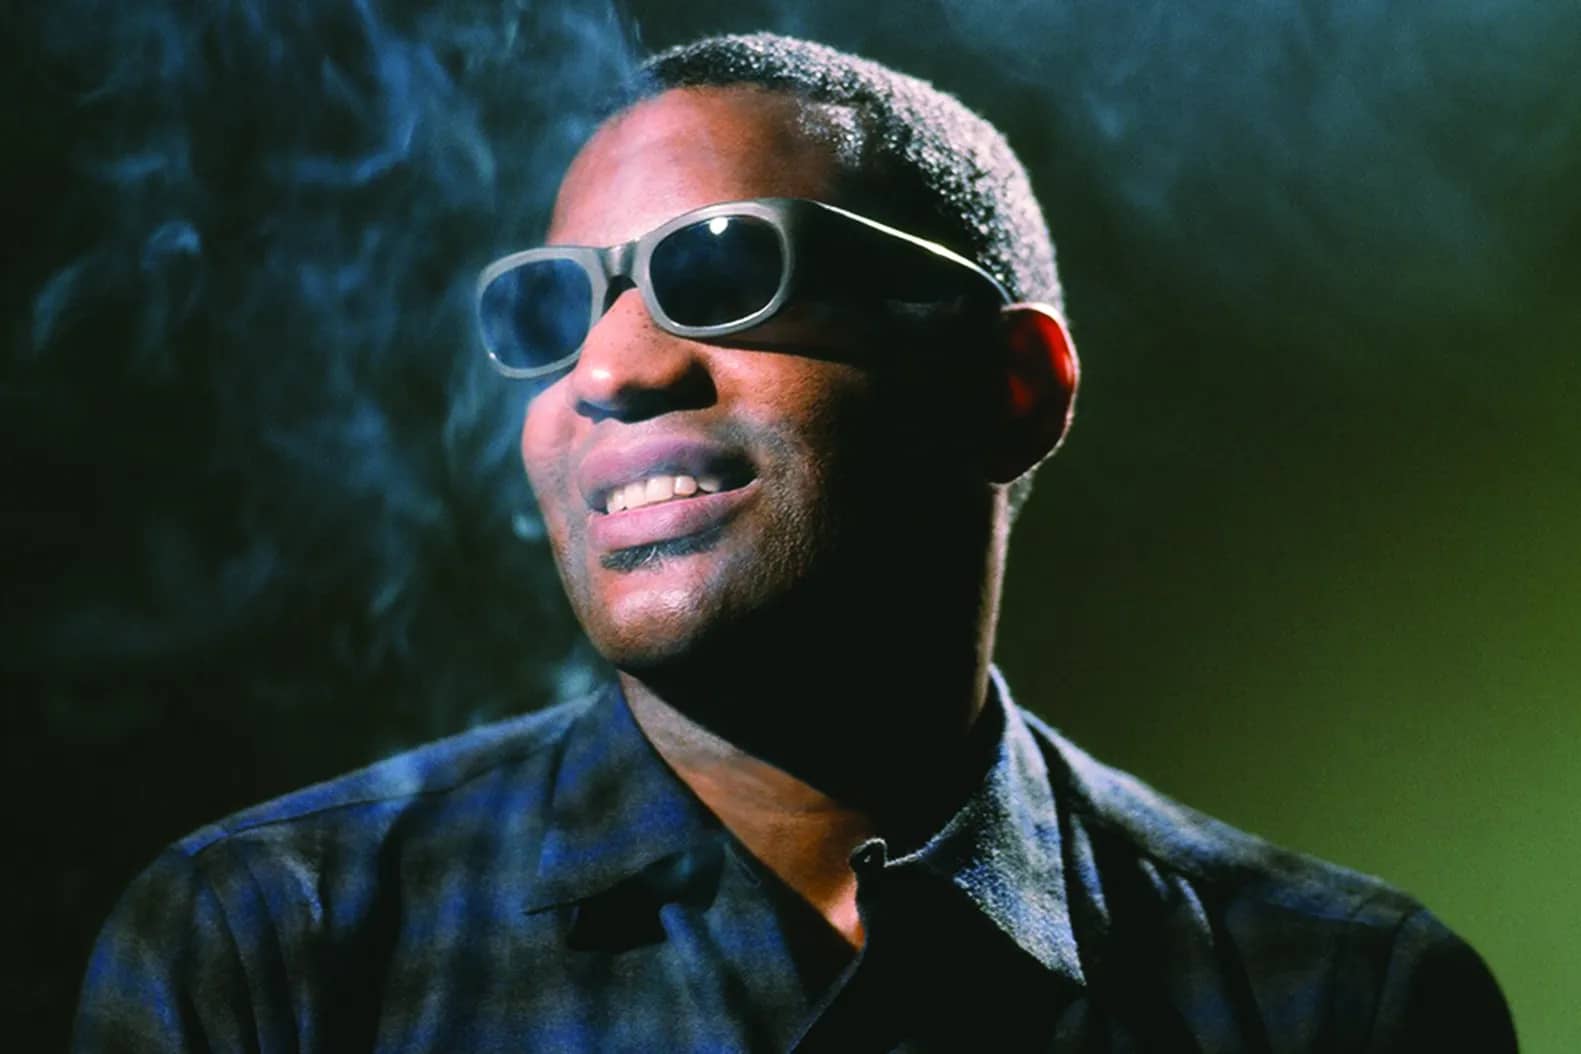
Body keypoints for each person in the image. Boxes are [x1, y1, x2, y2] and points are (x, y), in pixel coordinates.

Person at [74, 32, 1516, 1053]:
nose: (610, 369)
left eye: (717, 270)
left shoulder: (1337, 999)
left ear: (1006, 389)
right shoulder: (270, 948)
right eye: (550, 309)